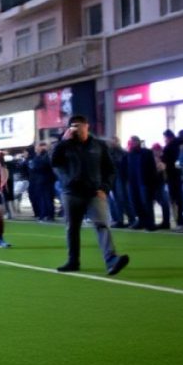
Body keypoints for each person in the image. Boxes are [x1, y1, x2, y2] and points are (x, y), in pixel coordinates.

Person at [51, 115, 129, 276]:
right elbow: (54, 162)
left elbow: (110, 169)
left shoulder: (99, 145)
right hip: (71, 193)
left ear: (87, 126)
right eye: (72, 126)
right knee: (72, 228)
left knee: (102, 225)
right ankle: (73, 261)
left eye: (78, 125)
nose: (76, 128)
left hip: (94, 192)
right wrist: (62, 142)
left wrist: (105, 188)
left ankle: (112, 260)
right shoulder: (66, 145)